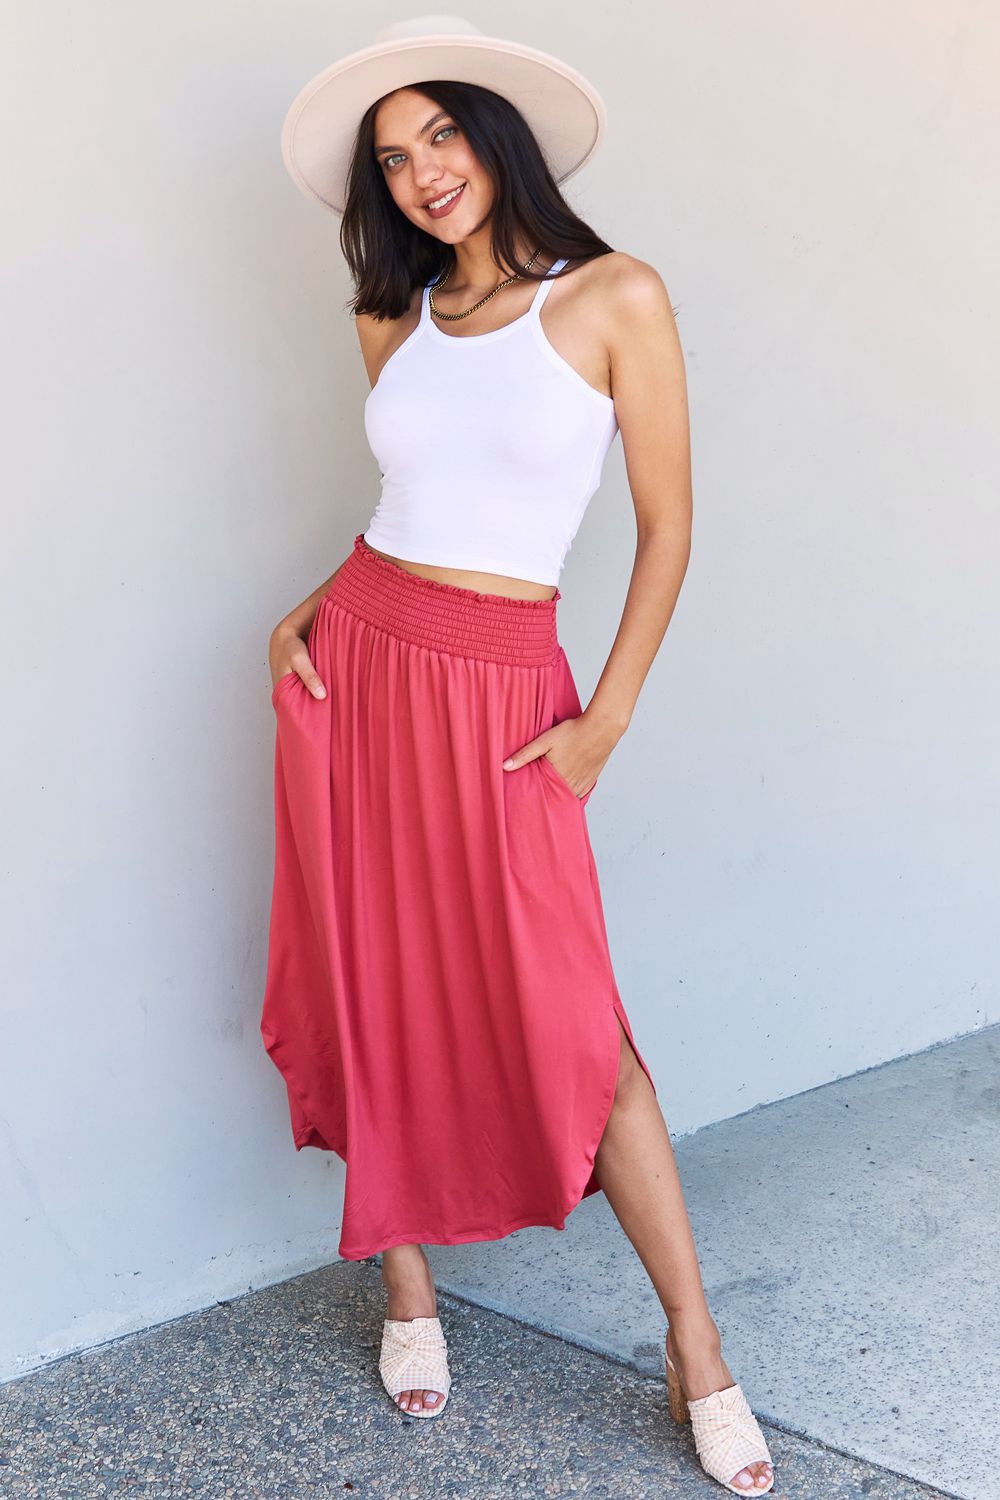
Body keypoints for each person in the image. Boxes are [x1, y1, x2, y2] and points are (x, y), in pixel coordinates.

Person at [262, 16, 775, 1495]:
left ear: (497, 136)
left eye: (441, 136)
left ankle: (697, 1349)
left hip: (507, 697)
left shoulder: (617, 294)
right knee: (370, 971)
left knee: (579, 1028)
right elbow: (406, 516)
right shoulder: (392, 315)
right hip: (358, 670)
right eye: (392, 158)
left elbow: (670, 526)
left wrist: (604, 717)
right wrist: (298, 617)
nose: (423, 173)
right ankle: (405, 1286)